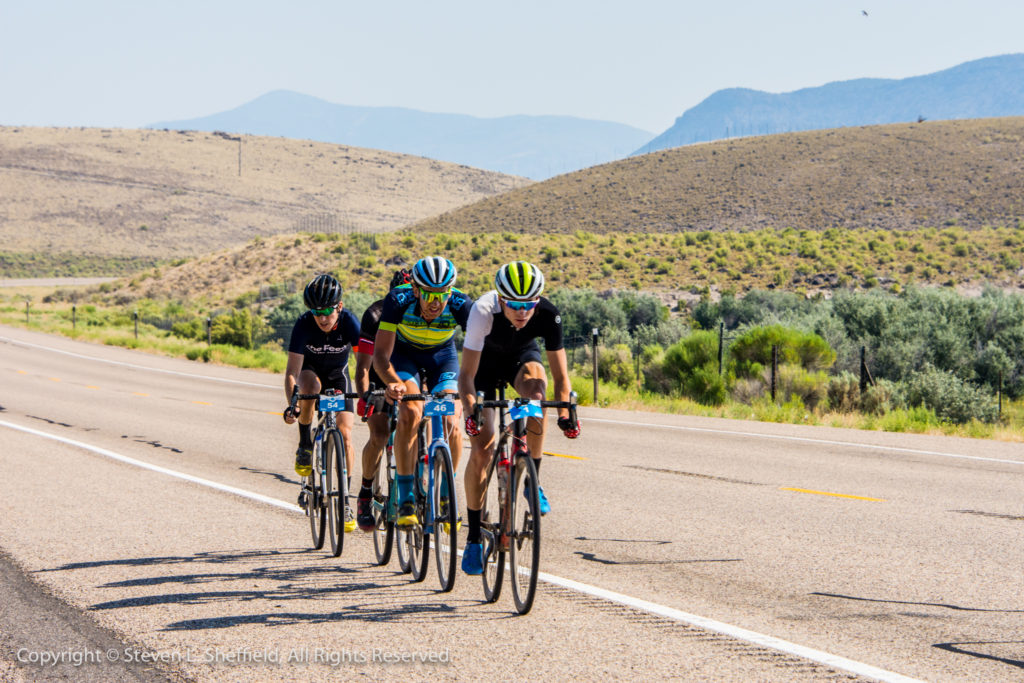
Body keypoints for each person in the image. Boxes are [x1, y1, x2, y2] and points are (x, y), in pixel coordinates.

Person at [458, 261, 580, 575]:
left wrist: (565, 412)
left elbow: (561, 378)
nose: (522, 312)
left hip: (519, 359)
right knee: (482, 450)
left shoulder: (549, 314)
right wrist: (472, 410)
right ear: (500, 299)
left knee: (538, 397)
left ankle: (532, 482)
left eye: (529, 305)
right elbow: (466, 377)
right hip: (484, 366)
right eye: (514, 305)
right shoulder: (482, 312)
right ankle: (473, 536)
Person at [372, 256, 471, 527]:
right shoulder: (398, 300)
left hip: (443, 358)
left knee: (452, 418)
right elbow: (380, 356)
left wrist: (471, 389)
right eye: (428, 294)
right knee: (411, 411)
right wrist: (392, 381)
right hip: (405, 358)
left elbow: (481, 352)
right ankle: (405, 495)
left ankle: (445, 494)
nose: (436, 303)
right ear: (415, 289)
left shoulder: (462, 305)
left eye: (442, 295)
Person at [282, 273, 361, 532]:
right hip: (310, 372)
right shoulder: (304, 324)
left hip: (339, 376)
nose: (323, 318)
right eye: (317, 312)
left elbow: (363, 364)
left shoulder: (349, 322)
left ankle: (346, 501)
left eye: (328, 311)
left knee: (346, 434)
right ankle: (305, 442)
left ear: (339, 306)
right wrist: (293, 403)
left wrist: (367, 391)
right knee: (311, 388)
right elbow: (292, 372)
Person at [352, 268, 414, 532]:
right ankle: (366, 492)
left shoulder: (423, 315)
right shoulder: (375, 315)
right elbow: (364, 366)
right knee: (379, 434)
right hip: (380, 374)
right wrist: (365, 395)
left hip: (408, 373)